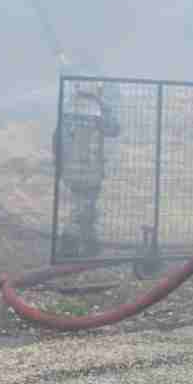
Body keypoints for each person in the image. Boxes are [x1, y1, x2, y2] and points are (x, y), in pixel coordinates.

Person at [53, 81, 120, 258]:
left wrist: (59, 164)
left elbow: (57, 138)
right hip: (89, 166)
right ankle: (69, 241)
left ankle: (91, 243)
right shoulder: (96, 111)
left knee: (85, 204)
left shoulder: (68, 108)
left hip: (70, 165)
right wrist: (105, 105)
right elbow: (113, 129)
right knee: (84, 205)